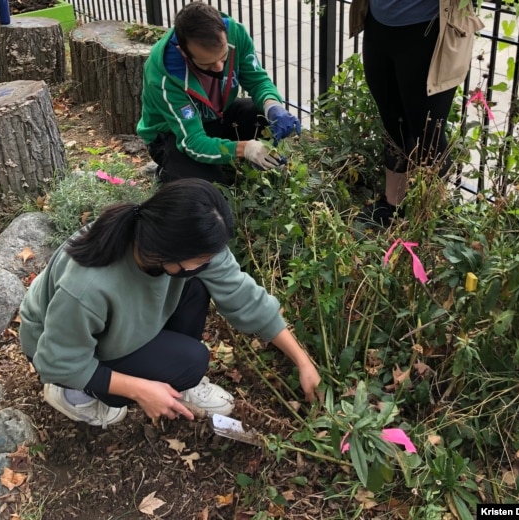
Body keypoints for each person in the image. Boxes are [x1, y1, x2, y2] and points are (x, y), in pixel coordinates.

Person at [19, 179, 320, 428]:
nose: (210, 262)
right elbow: (55, 360)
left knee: (197, 283)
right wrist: (141, 390)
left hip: (119, 325)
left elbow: (245, 297)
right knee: (191, 361)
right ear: (168, 250)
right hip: (54, 345)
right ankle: (72, 393)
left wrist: (302, 361)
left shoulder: (174, 244)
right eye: (201, 259)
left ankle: (169, 379)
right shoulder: (89, 286)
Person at [350, 0, 484, 225]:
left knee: (429, 133)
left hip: (429, 30)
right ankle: (393, 208)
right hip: (379, 25)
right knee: (393, 122)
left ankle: (430, 219)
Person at [137, 1, 301, 185]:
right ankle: (168, 168)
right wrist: (244, 149)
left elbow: (257, 80)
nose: (219, 67)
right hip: (173, 135)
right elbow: (192, 141)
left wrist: (272, 105)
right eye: (206, 64)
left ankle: (225, 159)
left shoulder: (235, 33)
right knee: (209, 189)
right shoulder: (164, 75)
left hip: (218, 117)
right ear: (183, 52)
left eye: (223, 57)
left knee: (261, 116)